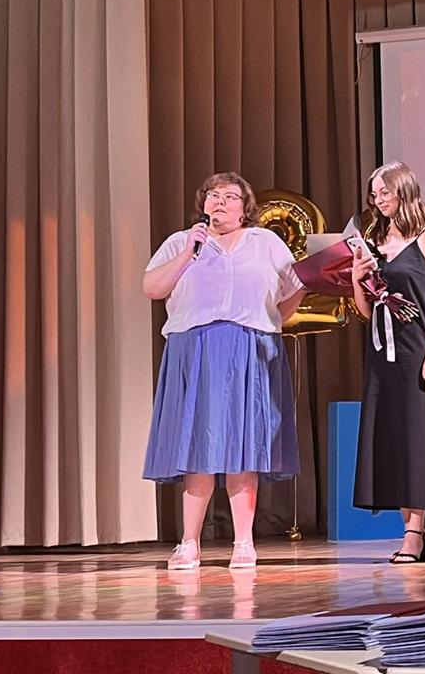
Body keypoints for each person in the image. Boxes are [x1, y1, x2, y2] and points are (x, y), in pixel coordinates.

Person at [143, 172, 306, 570]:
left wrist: (279, 315)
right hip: (195, 350)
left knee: (243, 447)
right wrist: (189, 252)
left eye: (231, 196)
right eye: (213, 195)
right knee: (197, 447)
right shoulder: (182, 242)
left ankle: (244, 542)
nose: (220, 201)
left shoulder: (266, 242)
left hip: (250, 350)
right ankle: (189, 542)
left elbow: (289, 297)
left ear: (245, 207)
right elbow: (153, 288)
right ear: (203, 204)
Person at [350, 161, 425, 564]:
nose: (378, 200)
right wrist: (356, 278)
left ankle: (415, 531)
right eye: (374, 194)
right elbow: (366, 310)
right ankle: (411, 529)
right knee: (390, 437)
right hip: (380, 354)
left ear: (403, 190)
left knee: (417, 437)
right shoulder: (373, 242)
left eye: (384, 192)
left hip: (417, 350)